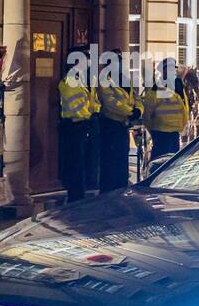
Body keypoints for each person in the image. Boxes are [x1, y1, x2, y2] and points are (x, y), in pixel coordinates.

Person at [57, 45, 99, 202]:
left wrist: (94, 114)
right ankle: (75, 196)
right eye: (85, 58)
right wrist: (89, 117)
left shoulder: (85, 80)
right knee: (75, 165)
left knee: (84, 164)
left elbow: (94, 102)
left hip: (84, 126)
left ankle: (81, 194)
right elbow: (77, 107)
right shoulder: (71, 80)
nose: (88, 61)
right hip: (74, 126)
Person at [97, 51, 141, 192]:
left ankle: (121, 190)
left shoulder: (126, 80)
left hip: (123, 127)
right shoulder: (105, 80)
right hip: (110, 126)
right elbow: (110, 103)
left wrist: (139, 110)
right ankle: (109, 193)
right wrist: (130, 112)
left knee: (122, 161)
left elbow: (137, 98)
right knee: (110, 164)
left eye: (120, 61)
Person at [142, 58, 190, 163]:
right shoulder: (157, 89)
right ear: (163, 71)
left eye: (173, 69)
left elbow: (184, 107)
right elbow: (147, 115)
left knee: (171, 165)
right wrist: (153, 131)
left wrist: (183, 126)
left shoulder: (178, 86)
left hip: (175, 132)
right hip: (161, 133)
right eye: (169, 69)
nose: (173, 72)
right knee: (159, 164)